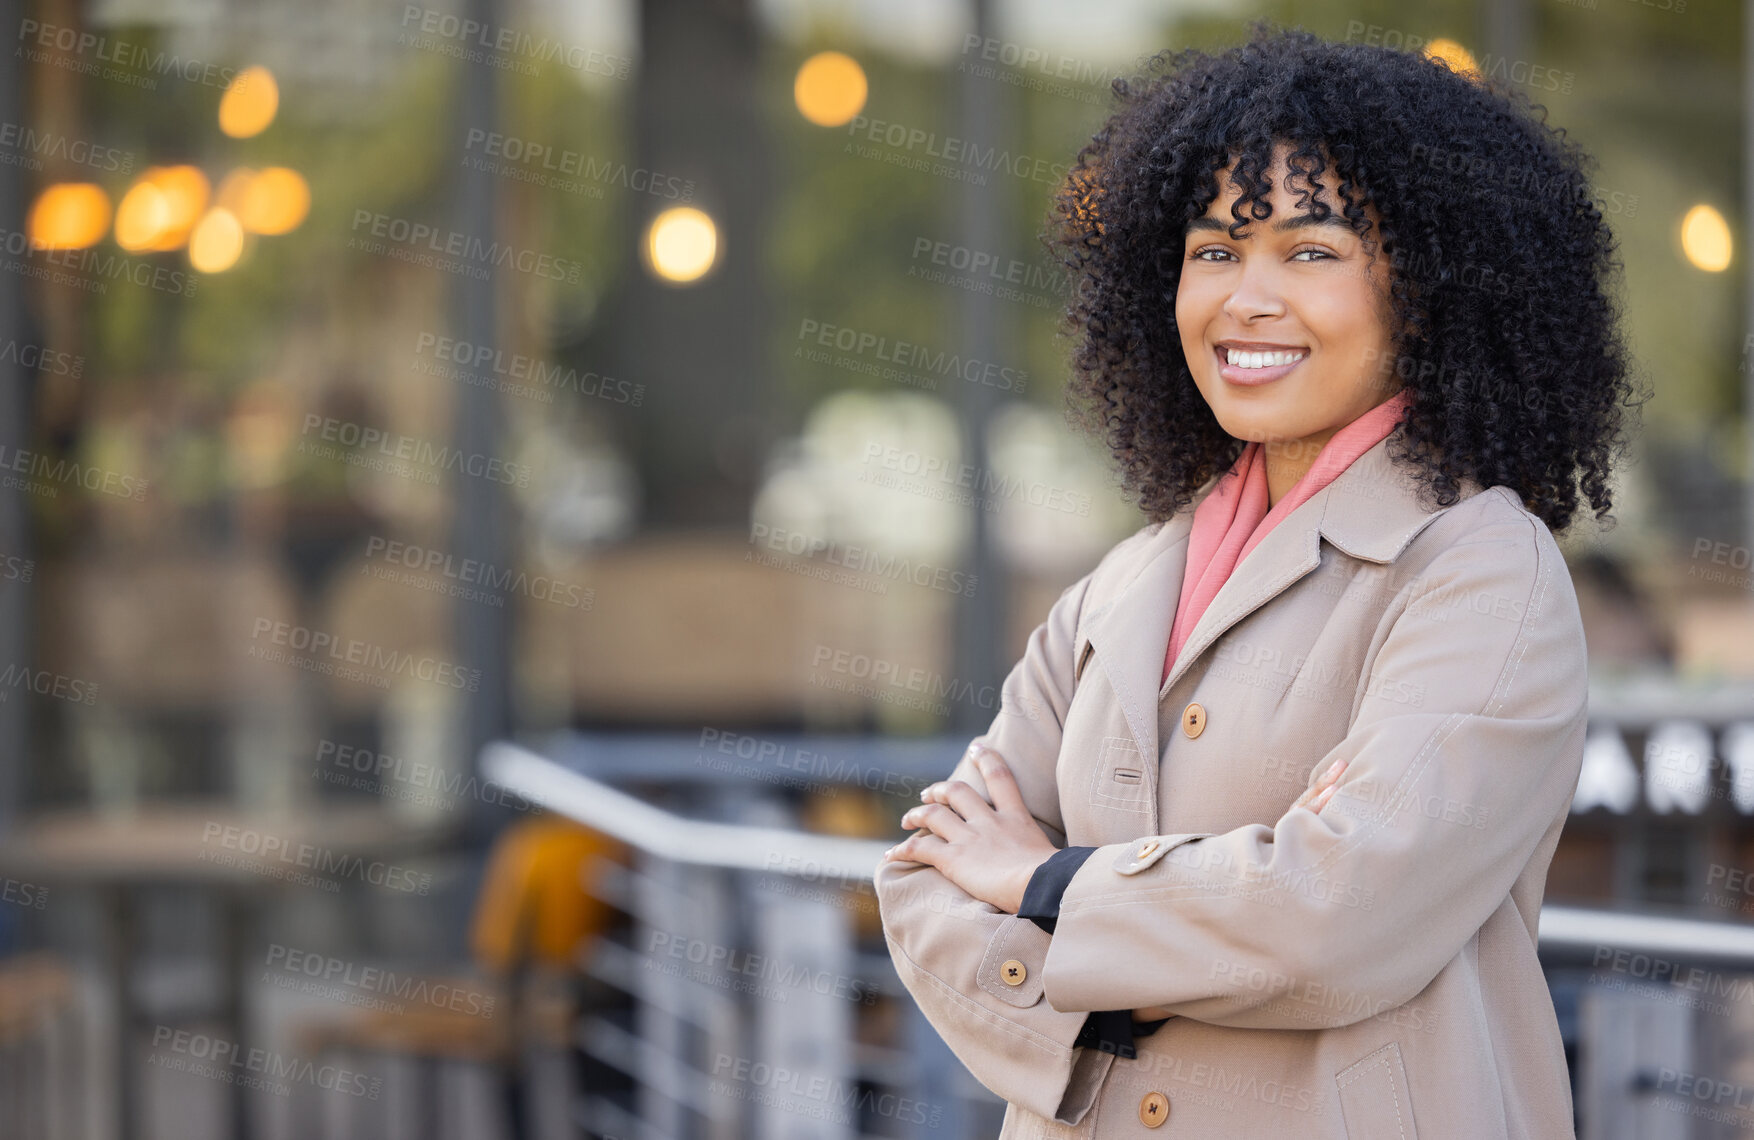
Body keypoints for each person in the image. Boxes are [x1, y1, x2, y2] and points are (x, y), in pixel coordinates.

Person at [874, 20, 1641, 1139]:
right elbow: (926, 873)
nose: (1244, 298)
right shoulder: (1125, 581)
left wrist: (1045, 890)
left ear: (1424, 292)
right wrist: (1101, 1018)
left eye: (1311, 251)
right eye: (1214, 250)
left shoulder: (1476, 572)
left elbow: (1335, 916)